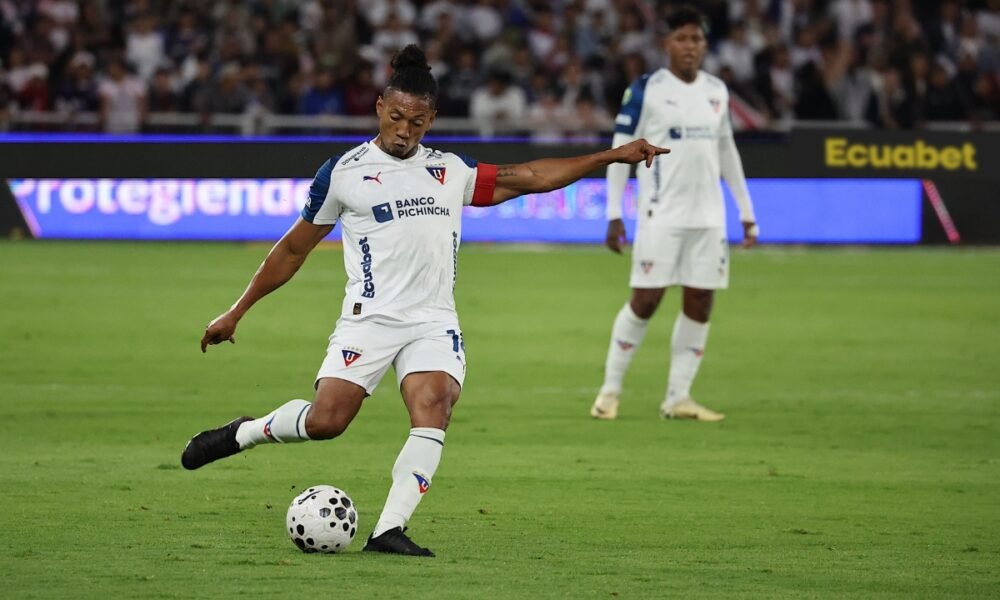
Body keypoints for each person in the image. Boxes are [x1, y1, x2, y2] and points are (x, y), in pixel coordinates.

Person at [182, 45, 667, 557]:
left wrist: (610, 156)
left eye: (417, 122)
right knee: (327, 423)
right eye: (395, 117)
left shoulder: (449, 170)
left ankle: (388, 529)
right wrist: (236, 311)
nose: (404, 131)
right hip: (369, 320)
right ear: (378, 108)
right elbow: (293, 249)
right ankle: (246, 432)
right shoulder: (343, 173)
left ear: (431, 119)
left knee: (434, 405)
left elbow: (528, 177)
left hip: (433, 320)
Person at [590, 5, 759, 423]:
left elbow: (727, 152)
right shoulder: (646, 89)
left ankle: (678, 397)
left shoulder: (717, 91)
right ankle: (609, 391)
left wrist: (746, 212)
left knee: (700, 302)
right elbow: (620, 151)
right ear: (667, 43)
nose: (690, 46)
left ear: (705, 45)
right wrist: (614, 213)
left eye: (697, 39)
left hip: (709, 218)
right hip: (660, 214)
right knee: (646, 300)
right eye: (682, 38)